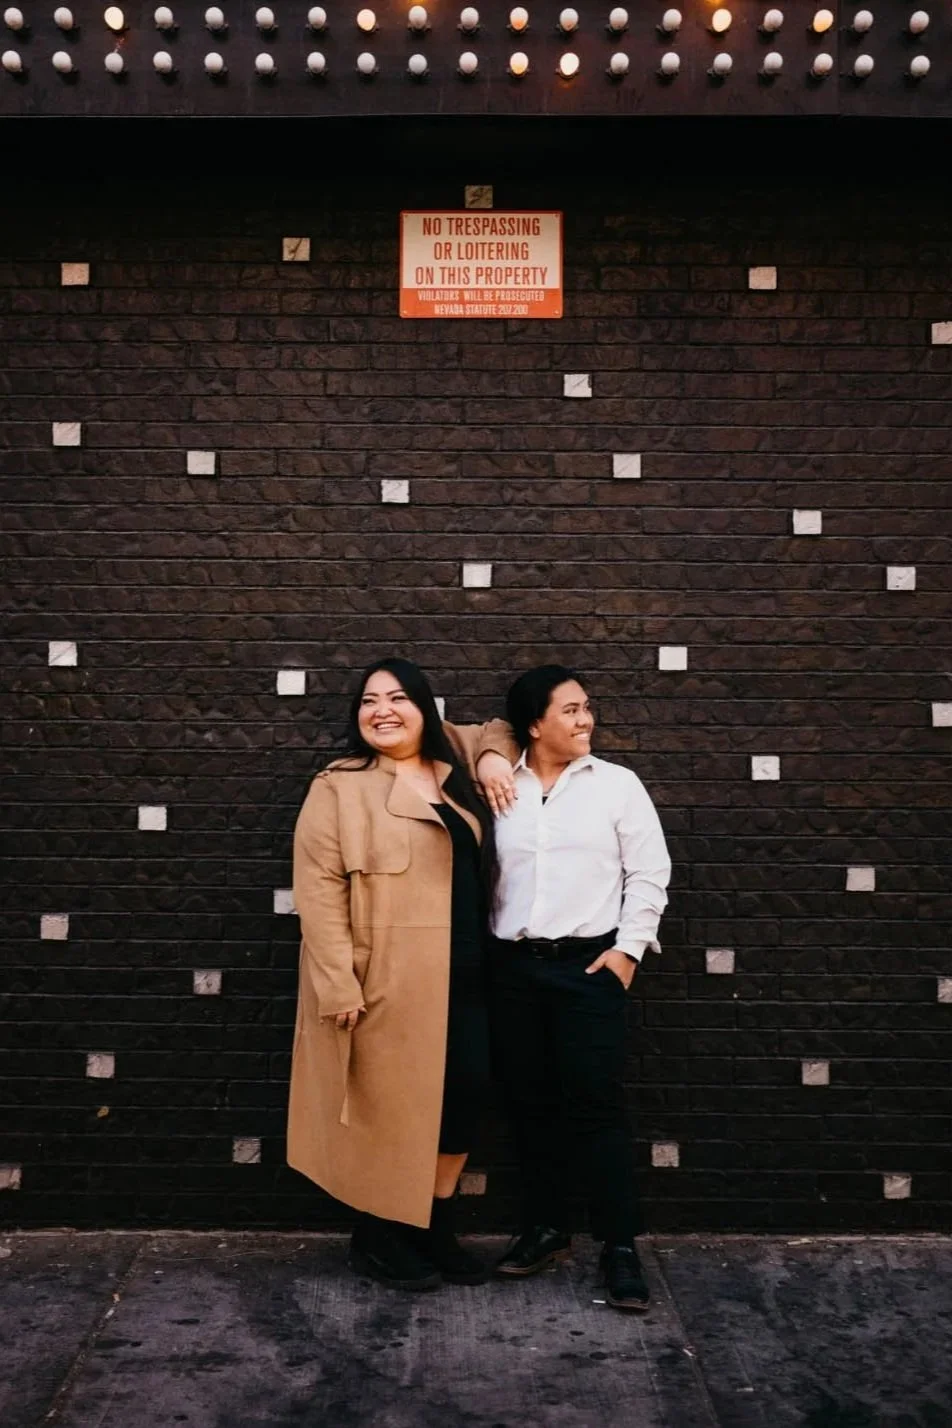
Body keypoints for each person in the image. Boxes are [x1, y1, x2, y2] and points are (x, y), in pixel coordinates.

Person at [286, 657, 517, 1291]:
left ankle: (432, 1227)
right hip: (386, 978)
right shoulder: (337, 787)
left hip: (469, 972)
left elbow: (500, 728)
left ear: (426, 709)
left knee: (462, 1103)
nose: (381, 710)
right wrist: (338, 983)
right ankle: (382, 1237)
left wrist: (494, 760)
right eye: (368, 700)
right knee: (391, 1111)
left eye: (396, 698)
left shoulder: (453, 764)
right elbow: (319, 891)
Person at [486, 665, 672, 1312]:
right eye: (570, 710)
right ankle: (546, 1230)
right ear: (534, 725)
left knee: (595, 1108)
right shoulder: (497, 786)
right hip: (513, 970)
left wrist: (626, 953)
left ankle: (619, 1246)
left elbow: (649, 872)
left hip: (588, 971)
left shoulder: (617, 786)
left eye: (586, 707)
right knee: (530, 1108)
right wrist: (489, 756)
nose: (586, 719)